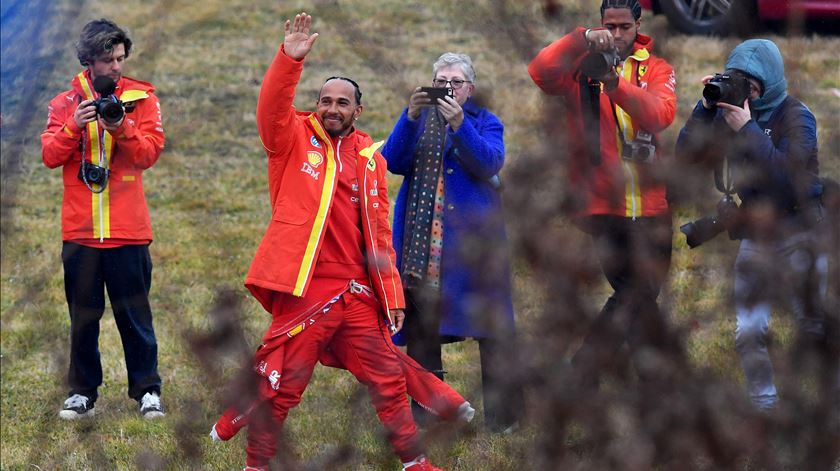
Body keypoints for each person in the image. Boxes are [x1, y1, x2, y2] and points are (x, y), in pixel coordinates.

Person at [228, 13, 449, 470]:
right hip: (305, 289)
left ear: (357, 111)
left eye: (342, 102)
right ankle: (256, 465)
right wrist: (289, 59)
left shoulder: (369, 158)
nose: (332, 108)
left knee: (388, 379)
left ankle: (416, 463)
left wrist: (390, 294)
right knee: (283, 387)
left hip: (357, 295)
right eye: (324, 100)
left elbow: (380, 236)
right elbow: (271, 108)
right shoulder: (290, 140)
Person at [527, 0, 677, 387]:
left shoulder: (656, 68)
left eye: (624, 26)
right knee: (635, 292)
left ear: (638, 25)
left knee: (640, 295)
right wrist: (579, 39)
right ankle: (596, 374)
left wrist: (615, 85)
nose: (616, 34)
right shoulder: (579, 66)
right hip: (603, 205)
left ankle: (616, 376)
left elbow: (660, 114)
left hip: (652, 205)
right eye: (608, 26)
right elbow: (539, 71)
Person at [675, 39, 830, 411]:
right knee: (748, 331)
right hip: (757, 236)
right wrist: (705, 107)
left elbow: (787, 181)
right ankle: (765, 408)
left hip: (801, 232)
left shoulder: (796, 117)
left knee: (814, 324)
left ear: (770, 81)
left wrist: (747, 129)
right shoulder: (727, 113)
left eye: (754, 85)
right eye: (740, 82)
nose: (747, 92)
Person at [381, 52, 523, 432]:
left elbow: (490, 163)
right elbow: (391, 161)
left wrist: (460, 125)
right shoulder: (418, 120)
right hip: (422, 247)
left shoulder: (485, 121)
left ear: (470, 89)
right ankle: (428, 415)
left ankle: (504, 418)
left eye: (455, 82)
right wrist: (409, 116)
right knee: (424, 328)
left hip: (476, 247)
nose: (447, 88)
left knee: (492, 329)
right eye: (440, 81)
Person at [41, 18, 165, 420]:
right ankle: (81, 393)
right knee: (82, 319)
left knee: (136, 317)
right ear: (89, 61)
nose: (116, 66)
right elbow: (49, 156)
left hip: (128, 233)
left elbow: (148, 154)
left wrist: (121, 126)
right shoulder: (64, 103)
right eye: (108, 59)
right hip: (80, 233)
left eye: (120, 58)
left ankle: (148, 391)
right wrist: (73, 126)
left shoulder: (143, 97)